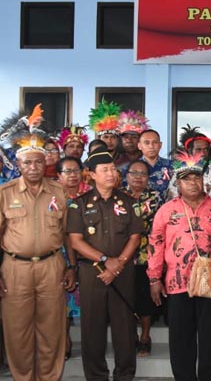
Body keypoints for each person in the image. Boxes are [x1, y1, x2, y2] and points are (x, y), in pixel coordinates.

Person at [148, 150, 211, 381]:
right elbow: (156, 244)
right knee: (181, 339)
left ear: (203, 180)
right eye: (186, 179)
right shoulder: (166, 210)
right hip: (177, 283)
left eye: (197, 177)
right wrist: (154, 278)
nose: (192, 183)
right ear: (178, 183)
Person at [67, 146, 144, 381]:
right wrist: (105, 260)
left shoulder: (130, 202)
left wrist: (118, 264)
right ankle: (96, 376)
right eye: (105, 170)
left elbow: (135, 237)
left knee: (125, 327)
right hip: (92, 273)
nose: (111, 173)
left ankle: (125, 375)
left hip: (123, 271)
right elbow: (76, 241)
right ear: (91, 174)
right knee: (92, 328)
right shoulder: (79, 204)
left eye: (113, 169)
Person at [0, 131, 71, 380]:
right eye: (27, 162)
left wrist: (71, 267)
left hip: (51, 266)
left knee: (52, 329)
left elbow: (68, 234)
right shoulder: (5, 193)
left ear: (46, 163)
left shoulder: (59, 192)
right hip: (15, 269)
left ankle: (50, 377)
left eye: (38, 162)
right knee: (17, 330)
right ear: (18, 165)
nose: (33, 167)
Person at [121, 161, 162, 357]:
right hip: (122, 256)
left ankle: (145, 336)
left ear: (148, 177)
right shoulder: (118, 196)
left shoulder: (156, 197)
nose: (138, 177)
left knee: (145, 298)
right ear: (127, 175)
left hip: (147, 255)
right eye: (134, 173)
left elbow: (159, 227)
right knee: (127, 298)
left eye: (143, 174)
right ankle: (130, 336)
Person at [56, 156, 91, 360]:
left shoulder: (91, 194)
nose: (72, 175)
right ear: (59, 175)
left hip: (88, 252)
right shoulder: (52, 196)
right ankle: (65, 341)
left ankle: (91, 343)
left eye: (76, 171)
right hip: (60, 254)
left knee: (89, 300)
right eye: (67, 172)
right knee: (63, 301)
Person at [167, 126, 211, 206]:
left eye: (206, 149)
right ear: (189, 150)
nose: (203, 153)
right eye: (198, 150)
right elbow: (172, 199)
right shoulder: (179, 172)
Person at [137, 129, 173, 198]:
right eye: (147, 143)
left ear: (160, 145)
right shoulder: (132, 168)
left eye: (155, 142)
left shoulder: (172, 166)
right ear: (139, 146)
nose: (151, 146)